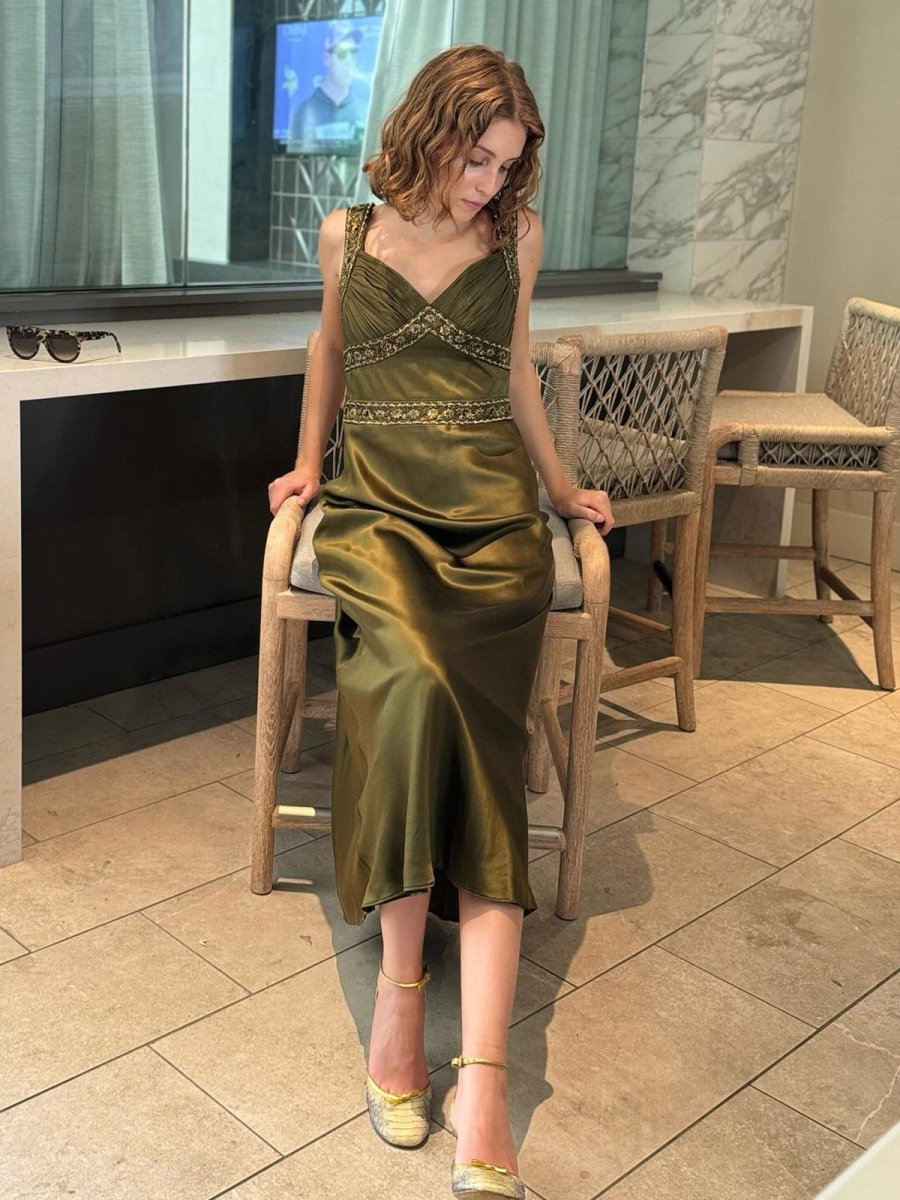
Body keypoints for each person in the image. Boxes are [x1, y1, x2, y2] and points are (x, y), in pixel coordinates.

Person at [268, 43, 614, 1199]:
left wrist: (560, 488)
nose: (487, 185)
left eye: (505, 165)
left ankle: (487, 1081)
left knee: (477, 731)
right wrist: (307, 465)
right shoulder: (345, 235)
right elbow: (330, 349)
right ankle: (401, 1005)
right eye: (476, 160)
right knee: (411, 689)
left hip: (490, 513)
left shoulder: (516, 239)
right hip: (378, 507)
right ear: (429, 132)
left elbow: (514, 373)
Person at [289, 19, 369, 151]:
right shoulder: (304, 112)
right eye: (342, 53)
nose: (349, 61)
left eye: (353, 53)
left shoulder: (365, 111)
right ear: (326, 58)